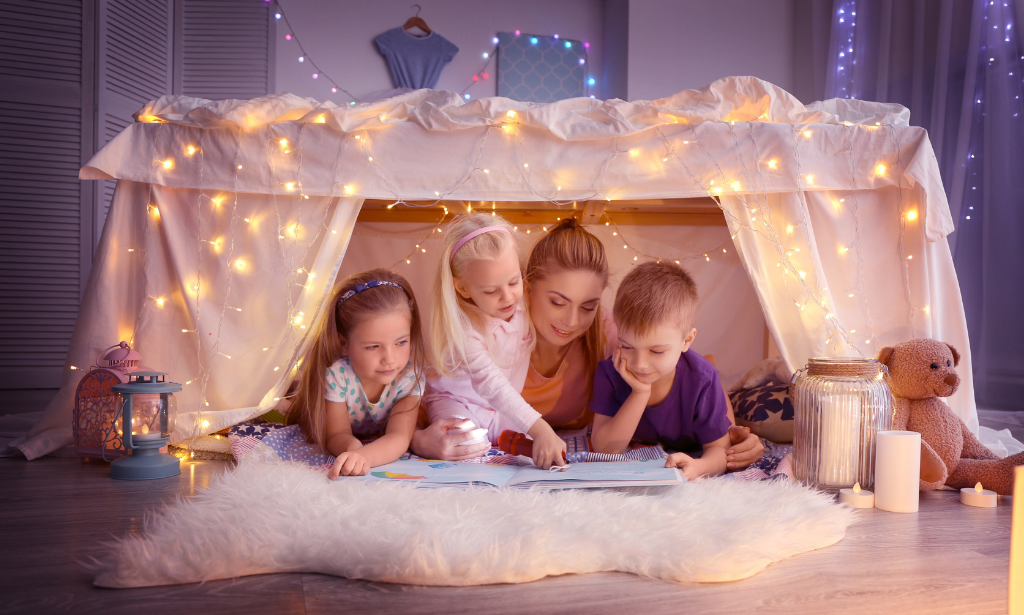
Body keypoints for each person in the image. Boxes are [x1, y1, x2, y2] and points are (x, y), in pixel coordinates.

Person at [413, 218, 763, 470]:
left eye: (588, 306)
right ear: (529, 289)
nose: (572, 321)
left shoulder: (608, 333)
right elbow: (436, 390)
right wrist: (418, 439)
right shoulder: (499, 325)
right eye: (558, 302)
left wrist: (731, 435)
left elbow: (686, 366)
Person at [422, 212, 567, 469]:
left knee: (539, 438)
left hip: (497, 410)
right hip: (457, 403)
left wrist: (541, 431)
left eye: (514, 281)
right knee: (463, 442)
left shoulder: (524, 303)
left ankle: (497, 438)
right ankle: (419, 439)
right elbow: (493, 385)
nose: (508, 297)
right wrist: (540, 427)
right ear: (462, 288)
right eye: (491, 291)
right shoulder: (464, 330)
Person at [590, 261, 732, 480]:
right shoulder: (610, 373)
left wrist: (699, 466)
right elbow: (605, 450)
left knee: (710, 371)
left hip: (701, 376)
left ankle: (711, 361)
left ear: (687, 340)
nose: (640, 364)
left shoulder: (702, 380)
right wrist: (640, 393)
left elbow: (720, 450)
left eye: (656, 351)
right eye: (627, 346)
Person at [287, 269, 428, 479]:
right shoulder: (338, 376)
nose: (389, 358)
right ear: (344, 344)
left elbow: (399, 437)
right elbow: (336, 434)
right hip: (330, 418)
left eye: (401, 342)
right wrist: (352, 448)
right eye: (373, 347)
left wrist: (364, 457)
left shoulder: (409, 379)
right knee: (288, 403)